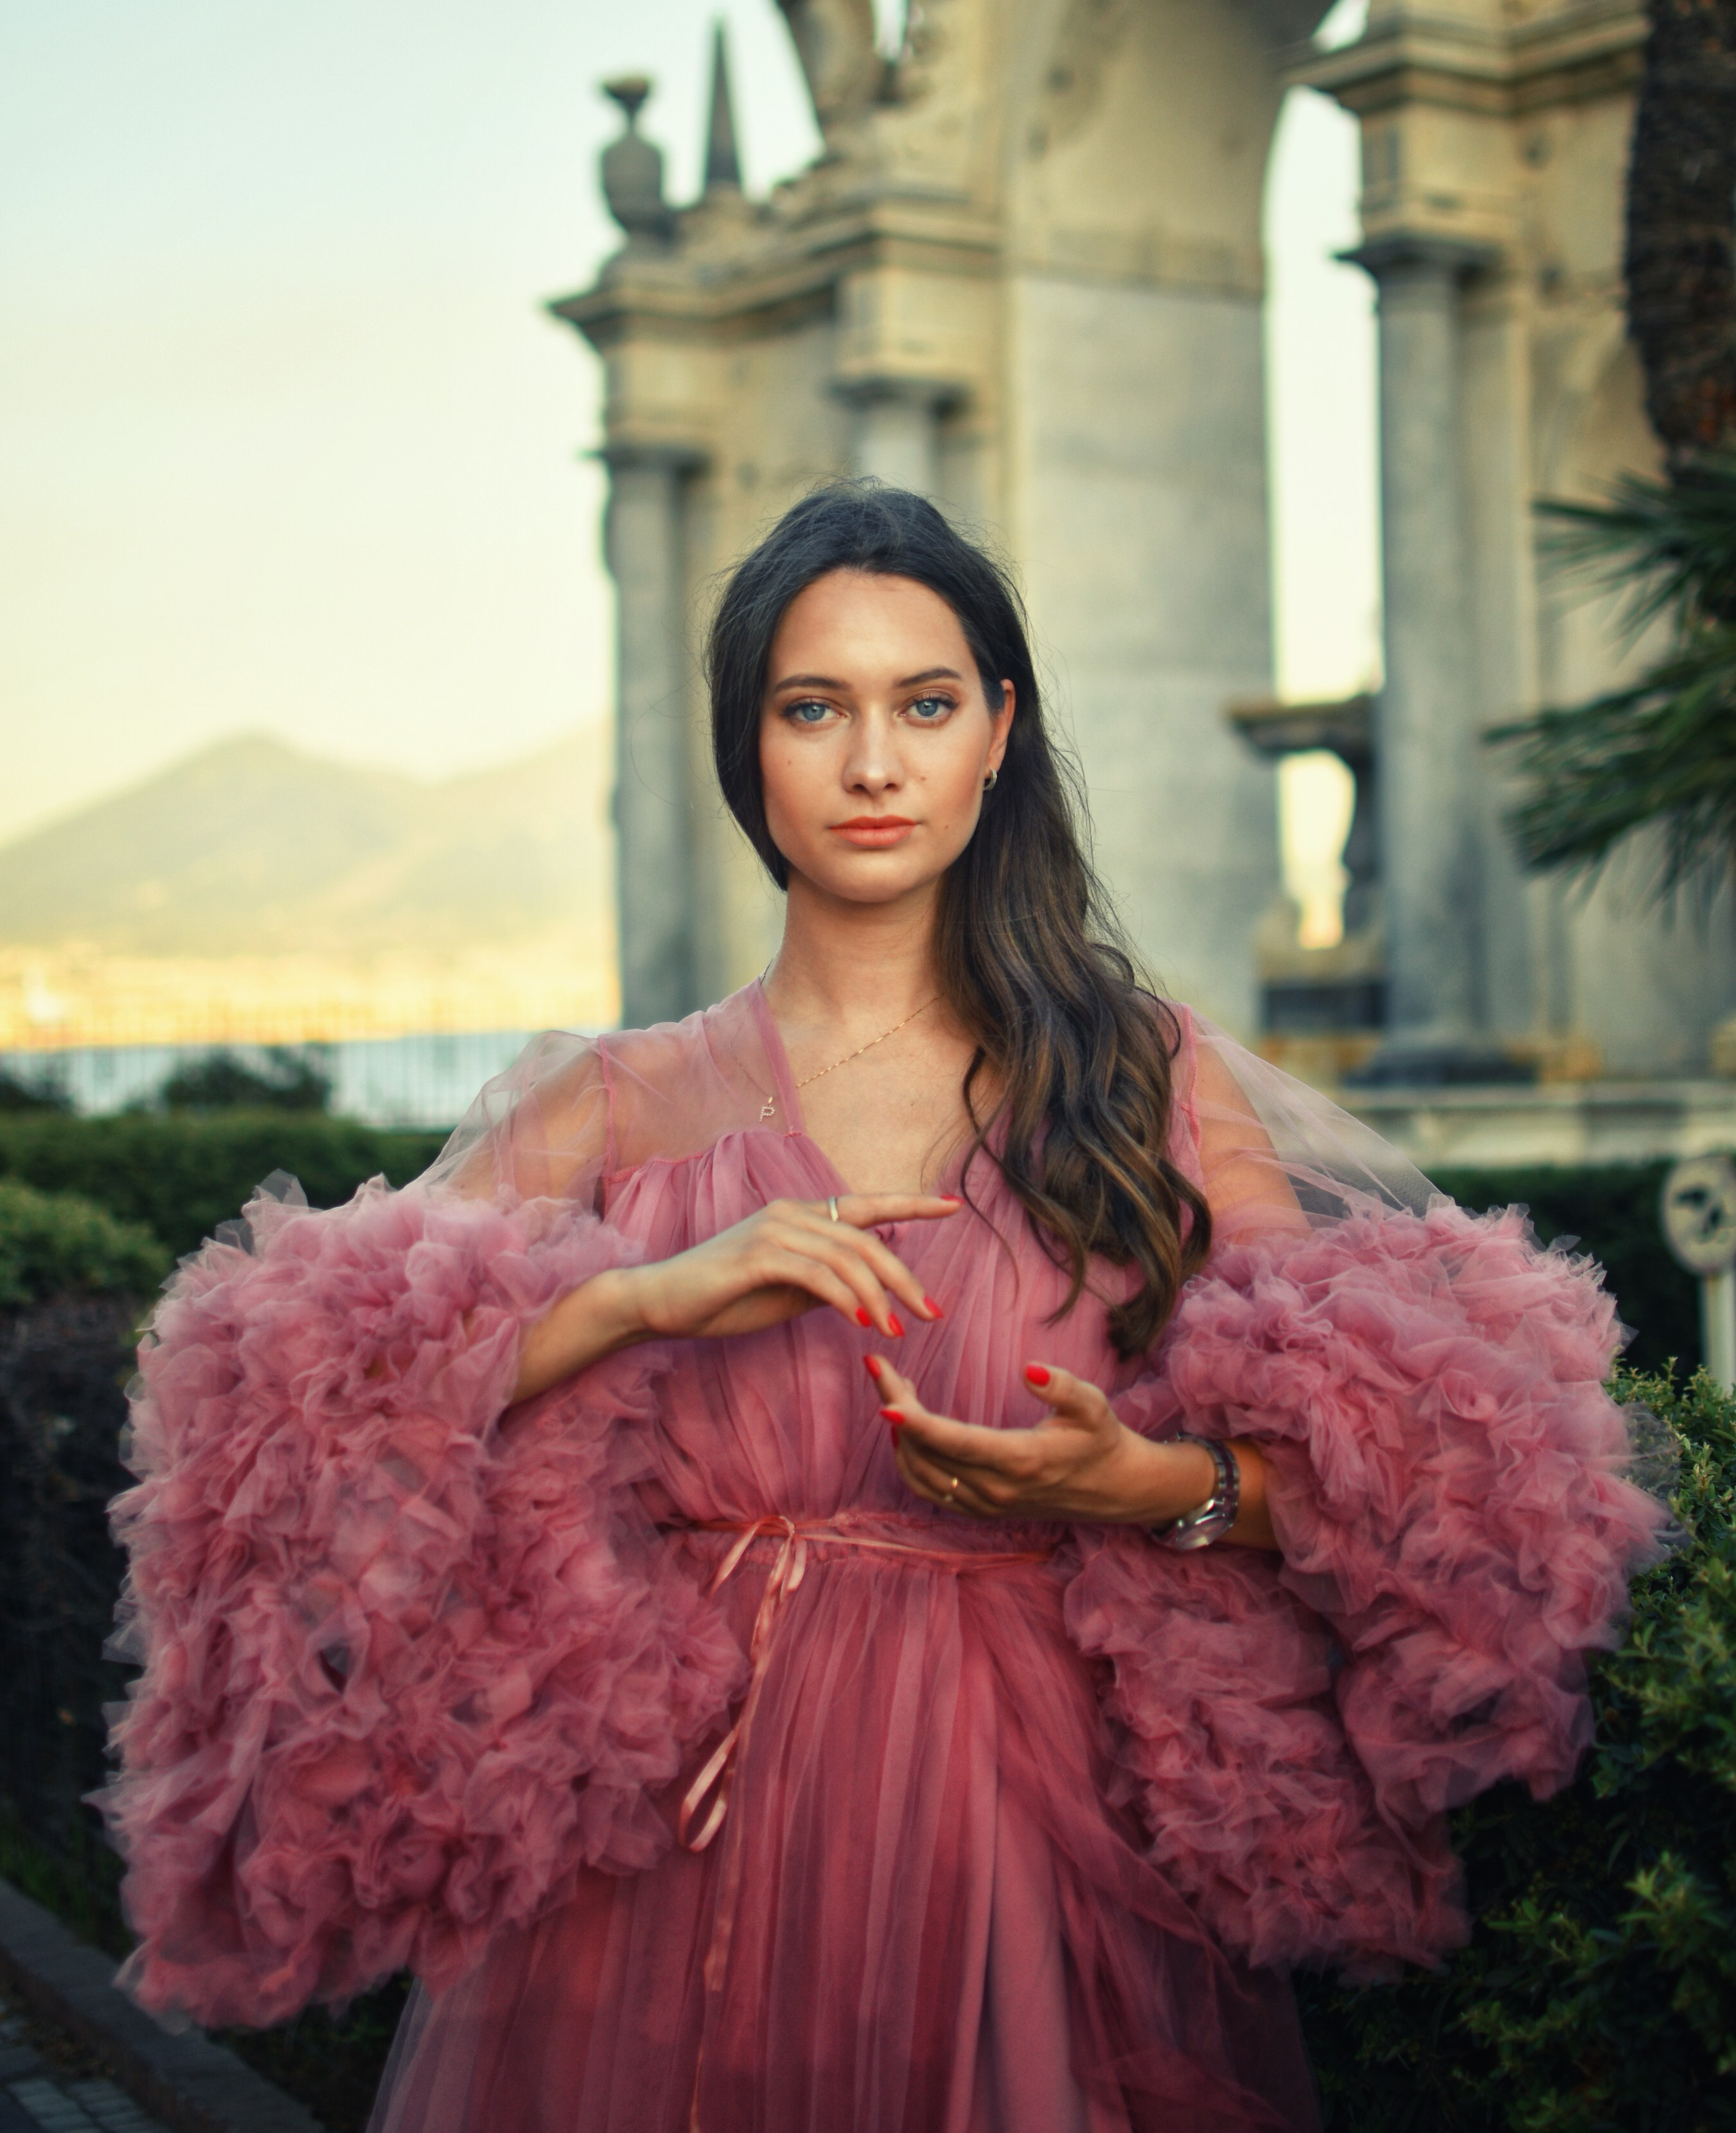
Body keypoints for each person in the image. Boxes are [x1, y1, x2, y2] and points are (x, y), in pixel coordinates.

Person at [102, 485, 1667, 2133]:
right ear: (745, 748)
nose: (871, 762)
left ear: (997, 734)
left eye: (923, 704)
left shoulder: (1141, 1079)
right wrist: (641, 1296)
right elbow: (279, 1401)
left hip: (1032, 1824)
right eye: (812, 707)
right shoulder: (614, 1102)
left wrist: (1147, 1488)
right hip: (664, 1840)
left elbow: (1391, 1473)